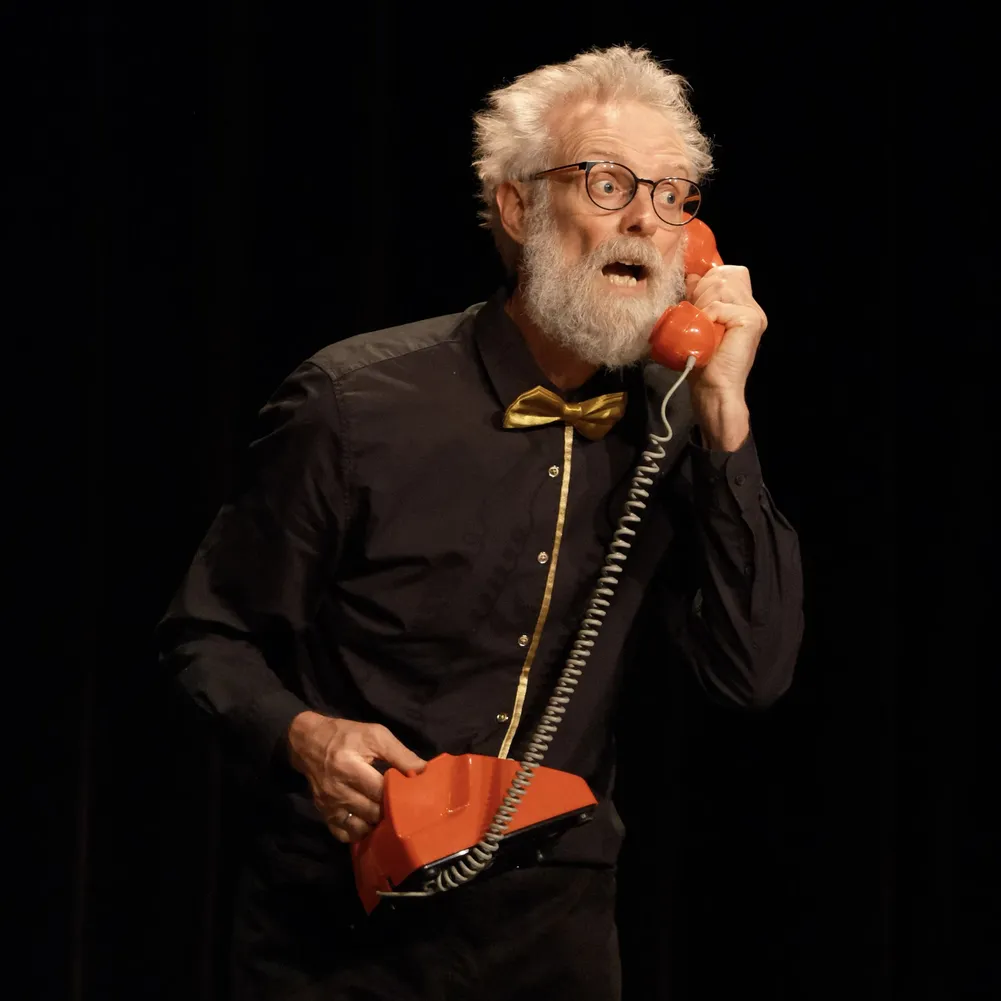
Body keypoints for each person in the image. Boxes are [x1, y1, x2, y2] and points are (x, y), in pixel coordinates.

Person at [157, 45, 804, 1000]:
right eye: (608, 182)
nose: (646, 220)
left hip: (554, 938)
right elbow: (204, 637)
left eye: (675, 194)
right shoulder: (354, 401)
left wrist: (725, 414)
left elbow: (751, 671)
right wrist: (300, 735)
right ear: (516, 206)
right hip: (340, 930)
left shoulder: (674, 426)